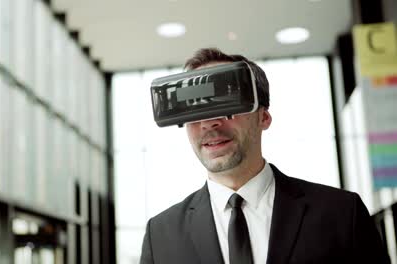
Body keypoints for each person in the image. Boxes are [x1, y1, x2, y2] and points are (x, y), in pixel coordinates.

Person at [139, 48, 390, 264]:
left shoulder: (342, 215)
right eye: (195, 110)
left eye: (226, 105)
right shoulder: (160, 236)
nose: (209, 123)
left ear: (264, 117)